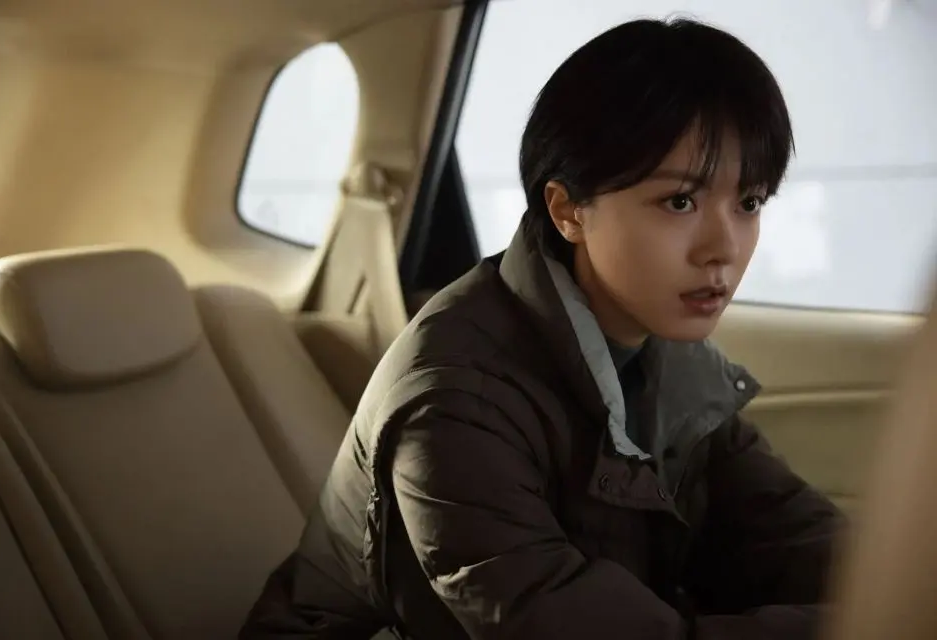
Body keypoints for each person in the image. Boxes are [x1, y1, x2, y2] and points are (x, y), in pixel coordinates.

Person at [240, 16, 844, 640]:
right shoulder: (455, 401)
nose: (724, 247)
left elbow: (785, 530)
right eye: (679, 202)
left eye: (748, 203)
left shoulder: (665, 360)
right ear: (568, 211)